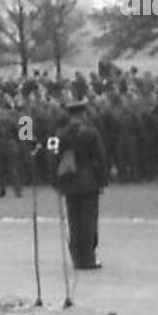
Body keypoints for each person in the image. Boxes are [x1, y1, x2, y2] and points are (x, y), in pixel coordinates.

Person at [54, 98, 109, 269]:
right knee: (88, 222)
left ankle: (77, 258)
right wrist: (102, 180)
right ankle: (88, 258)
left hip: (69, 182)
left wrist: (57, 182)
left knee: (74, 221)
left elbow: (53, 157)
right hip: (88, 180)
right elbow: (100, 158)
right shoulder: (91, 133)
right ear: (83, 114)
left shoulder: (60, 134)